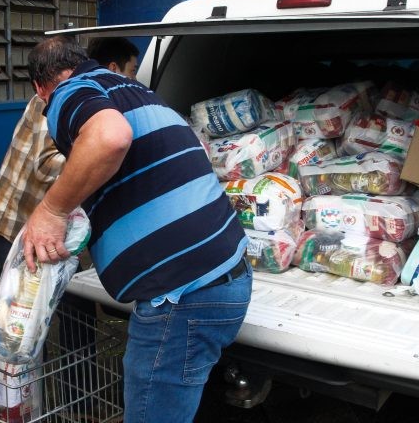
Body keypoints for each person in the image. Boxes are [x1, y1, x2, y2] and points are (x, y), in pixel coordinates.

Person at [23, 36, 251, 423]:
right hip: (223, 275)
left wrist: (51, 210)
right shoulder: (133, 90)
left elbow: (109, 138)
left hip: (184, 295)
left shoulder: (68, 92)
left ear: (38, 89)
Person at [0, 94, 64, 272]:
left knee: (73, 294)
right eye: (132, 70)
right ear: (113, 67)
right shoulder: (52, 97)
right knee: (29, 298)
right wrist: (95, 155)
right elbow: (46, 165)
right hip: (12, 228)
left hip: (45, 231)